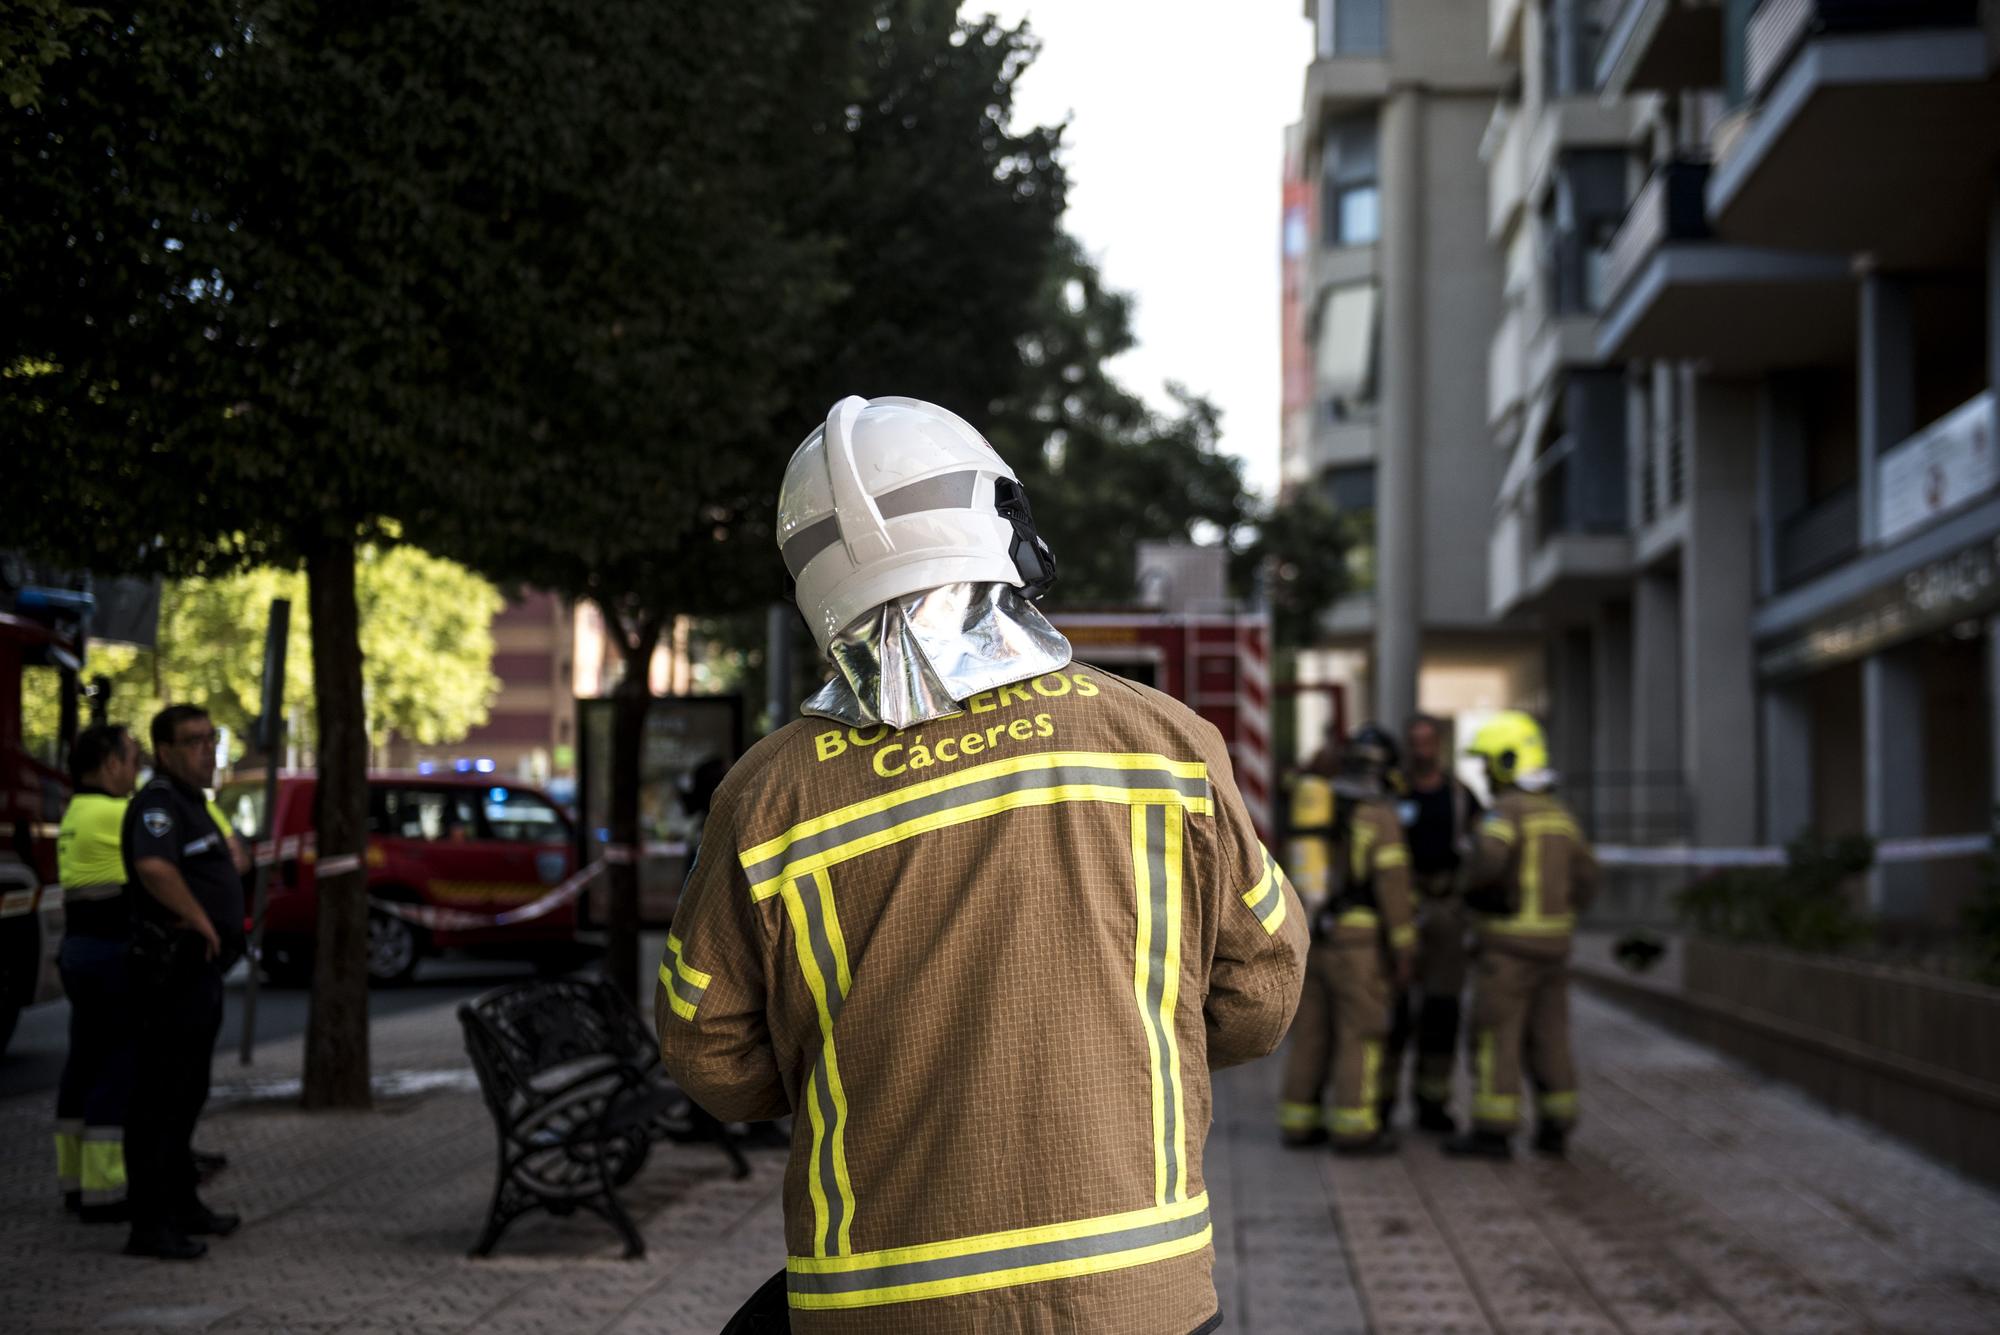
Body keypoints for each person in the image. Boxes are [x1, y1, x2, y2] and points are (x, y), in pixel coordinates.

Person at [659, 395, 1307, 1335]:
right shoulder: (1163, 745)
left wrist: (862, 1066)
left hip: (880, 1303)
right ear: (1001, 527)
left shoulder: (767, 797)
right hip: (1138, 1290)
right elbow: (1260, 998)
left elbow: (706, 1050)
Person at [121, 704, 245, 1259]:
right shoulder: (158, 806)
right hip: (171, 974)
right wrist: (198, 917)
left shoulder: (195, 805)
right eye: (194, 741)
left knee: (188, 1094)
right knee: (159, 1100)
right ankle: (151, 1223)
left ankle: (183, 1204)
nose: (207, 750)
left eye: (211, 739)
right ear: (164, 752)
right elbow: (154, 867)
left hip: (200, 974)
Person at [1446, 711, 1599, 1160]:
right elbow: (1589, 877)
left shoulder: (1505, 812)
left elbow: (1488, 860)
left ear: (1507, 762)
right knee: (1550, 1035)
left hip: (1507, 949)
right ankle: (1556, 1125)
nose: (1488, 775)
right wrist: (1562, 912)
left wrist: (1469, 888)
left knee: (1497, 1036)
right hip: (1554, 947)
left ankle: (1494, 1130)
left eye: (1490, 764)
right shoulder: (1561, 816)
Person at [1276, 723, 1415, 1155]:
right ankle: (1355, 1128)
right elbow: (1394, 890)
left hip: (1314, 935)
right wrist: (1405, 947)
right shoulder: (1380, 816)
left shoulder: (1315, 803)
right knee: (1362, 1032)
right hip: (1360, 943)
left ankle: (1299, 1122)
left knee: (1313, 1033)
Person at [54, 723, 143, 1222]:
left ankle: (73, 1180)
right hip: (111, 953)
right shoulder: (118, 813)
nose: (137, 769)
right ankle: (106, 1190)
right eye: (132, 759)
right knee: (116, 1067)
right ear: (110, 764)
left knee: (82, 1064)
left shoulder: (75, 811)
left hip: (78, 951)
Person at [1379, 712, 1483, 1134]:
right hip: (1398, 910)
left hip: (1445, 913)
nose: (1420, 750)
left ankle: (1432, 1101)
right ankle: (1382, 1100)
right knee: (1393, 1010)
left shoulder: (1460, 797)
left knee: (1442, 1010)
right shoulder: (1391, 794)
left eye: (1427, 742)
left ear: (1438, 745)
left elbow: (1482, 852)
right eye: (1413, 742)